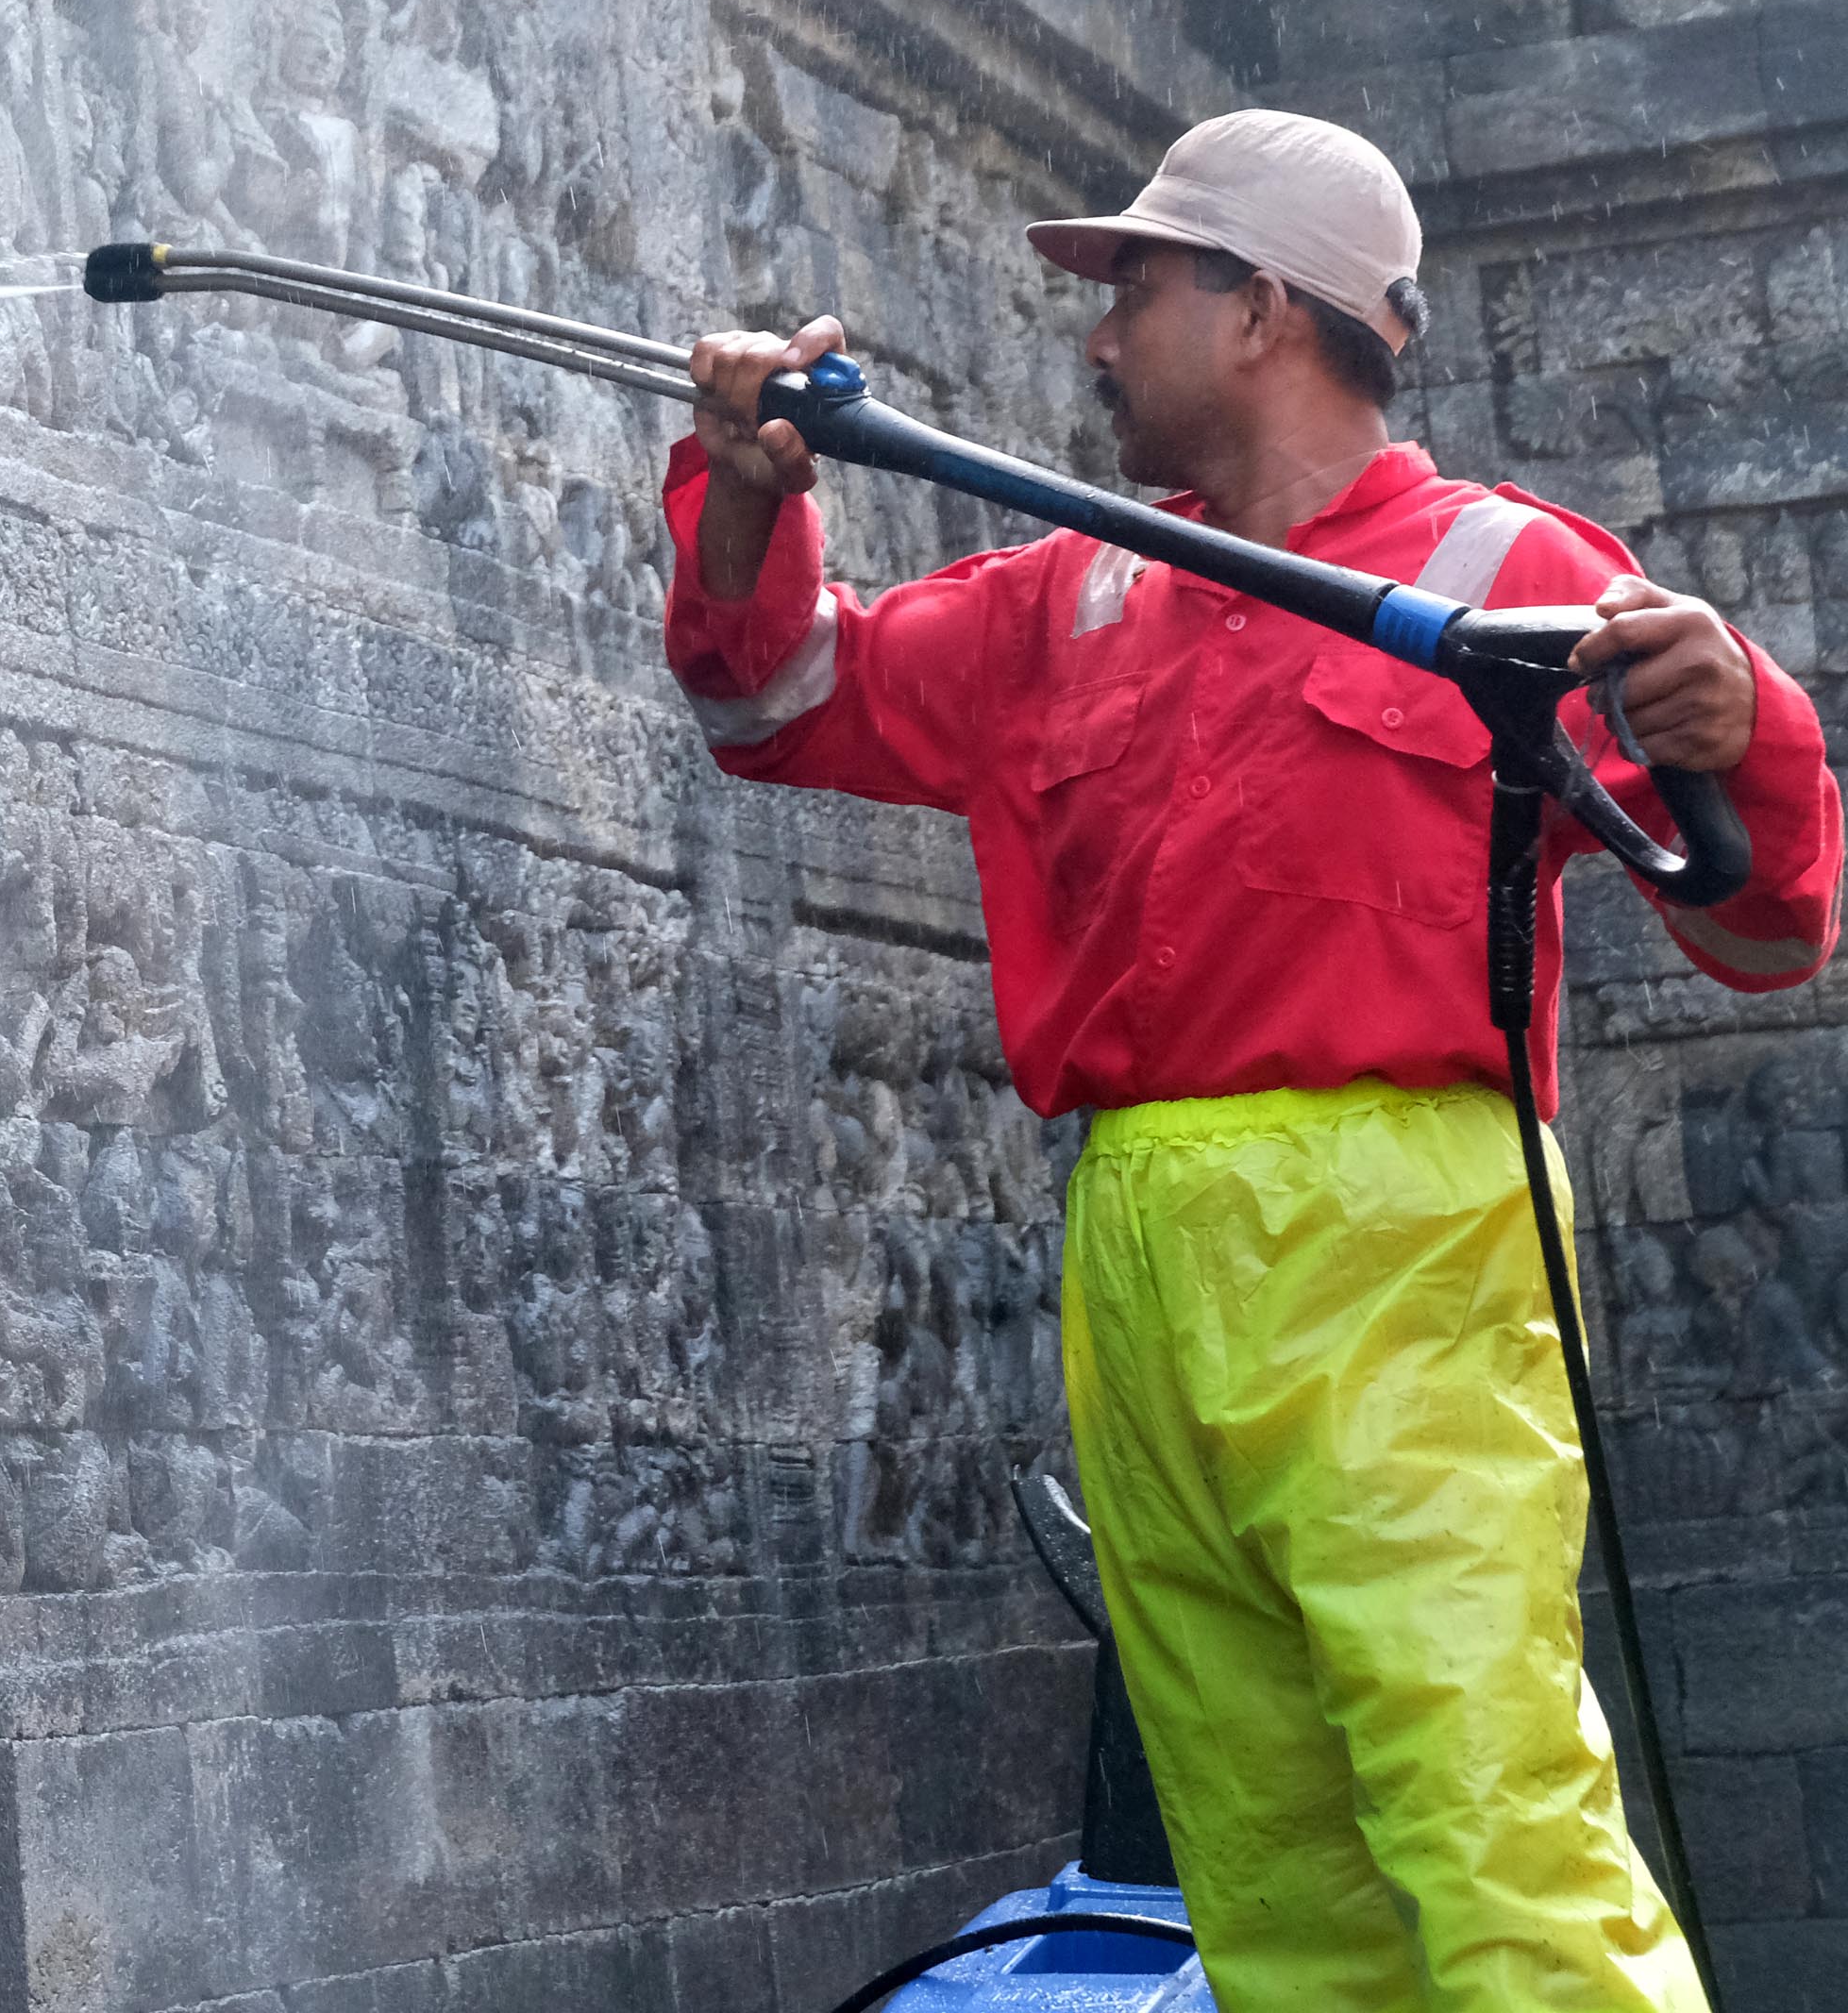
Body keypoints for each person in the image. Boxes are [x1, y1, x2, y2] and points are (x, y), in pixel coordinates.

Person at [667, 109, 1841, 2010]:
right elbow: (776, 695)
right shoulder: (1074, 592)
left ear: (1262, 311)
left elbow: (1762, 925)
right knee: (1266, 1872)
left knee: (1487, 1811)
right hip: (1139, 1237)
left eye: (1135, 285)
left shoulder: (1509, 572)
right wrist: (745, 488)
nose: (1099, 332)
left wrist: (1742, 721)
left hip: (1402, 1234)